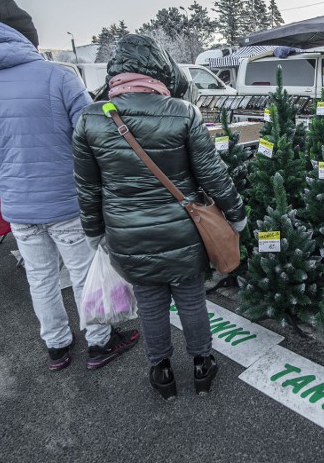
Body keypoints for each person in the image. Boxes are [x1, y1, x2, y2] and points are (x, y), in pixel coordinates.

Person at [0, 0, 139, 371]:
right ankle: (99, 344)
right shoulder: (59, 75)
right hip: (66, 201)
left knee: (41, 279)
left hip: (17, 205)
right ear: (27, 38)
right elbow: (94, 136)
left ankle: (57, 347)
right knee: (84, 273)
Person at [72, 34, 246, 399]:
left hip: (127, 233)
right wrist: (236, 214)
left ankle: (161, 372)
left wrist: (93, 232)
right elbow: (212, 173)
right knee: (192, 299)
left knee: (150, 302)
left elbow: (87, 187)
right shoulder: (183, 113)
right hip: (184, 230)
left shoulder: (90, 119)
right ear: (160, 68)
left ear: (116, 71)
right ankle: (202, 365)